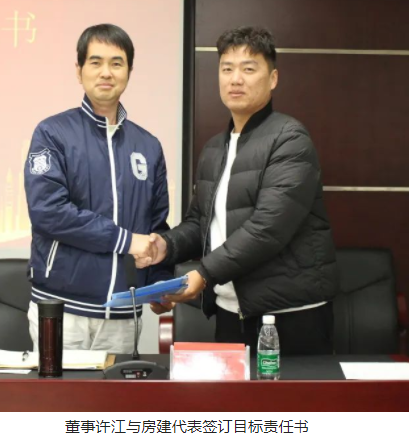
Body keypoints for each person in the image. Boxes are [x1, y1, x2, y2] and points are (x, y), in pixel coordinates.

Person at [145, 26, 338, 355]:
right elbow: (200, 223)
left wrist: (203, 274)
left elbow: (268, 228)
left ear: (273, 78)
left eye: (248, 69)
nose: (235, 79)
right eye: (227, 69)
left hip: (290, 315)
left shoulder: (290, 139)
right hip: (231, 310)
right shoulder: (214, 148)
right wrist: (166, 245)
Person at [24, 23, 172, 353]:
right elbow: (48, 212)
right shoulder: (52, 133)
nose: (106, 72)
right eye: (96, 62)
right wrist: (126, 241)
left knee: (117, 390)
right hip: (62, 309)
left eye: (117, 63)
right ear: (79, 71)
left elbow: (156, 225)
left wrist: (159, 281)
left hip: (123, 312)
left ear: (129, 72)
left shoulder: (148, 146)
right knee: (58, 389)